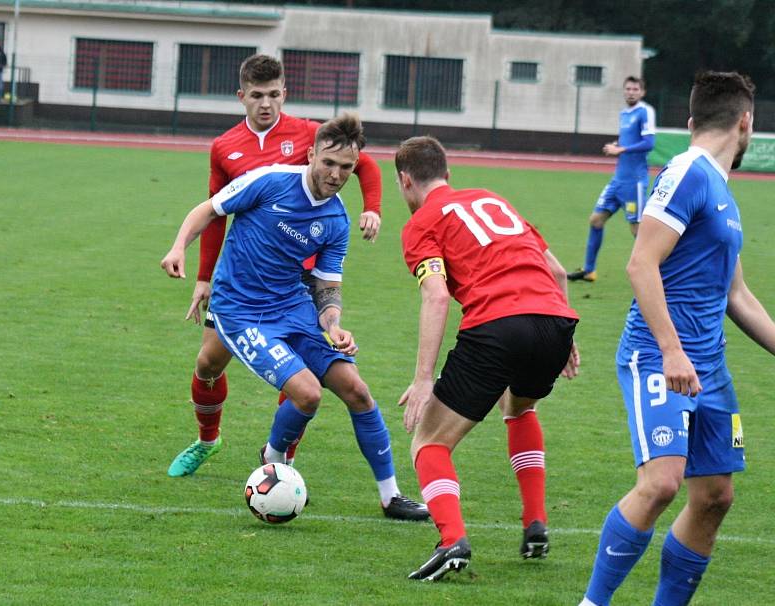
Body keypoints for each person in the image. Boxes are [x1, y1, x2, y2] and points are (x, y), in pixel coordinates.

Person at [161, 113, 429, 521]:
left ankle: (390, 496)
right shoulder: (269, 181)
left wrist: (334, 325)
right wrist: (179, 247)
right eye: (329, 163)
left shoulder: (336, 220)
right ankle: (272, 455)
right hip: (240, 310)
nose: (336, 174)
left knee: (356, 390)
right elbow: (209, 210)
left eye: (346, 167)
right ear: (311, 154)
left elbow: (327, 288)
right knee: (307, 393)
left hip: (293, 309)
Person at [578, 71, 775, 606]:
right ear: (745, 123)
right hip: (660, 357)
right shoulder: (688, 171)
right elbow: (641, 264)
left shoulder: (722, 192)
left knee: (714, 496)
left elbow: (737, 296)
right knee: (663, 483)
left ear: (691, 122)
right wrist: (671, 350)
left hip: (709, 367)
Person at [166, 54, 383, 478]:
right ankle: (208, 440)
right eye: (257, 96)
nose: (266, 104)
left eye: (274, 95)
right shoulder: (225, 146)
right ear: (242, 96)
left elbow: (366, 163)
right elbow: (217, 213)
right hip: (244, 281)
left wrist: (371, 208)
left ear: (285, 93)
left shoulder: (308, 133)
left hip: (298, 280)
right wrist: (204, 277)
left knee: (299, 375)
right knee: (208, 365)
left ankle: (281, 461)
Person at [395, 136, 580, 581]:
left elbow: (437, 297)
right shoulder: (492, 198)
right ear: (447, 174)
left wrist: (423, 380)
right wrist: (564, 337)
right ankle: (535, 523)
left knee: (429, 441)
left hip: (499, 324)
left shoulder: (422, 222)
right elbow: (555, 271)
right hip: (555, 319)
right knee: (519, 407)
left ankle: (451, 539)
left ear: (405, 181)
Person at [568, 76, 656, 282]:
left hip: (634, 182)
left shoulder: (645, 111)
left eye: (635, 89)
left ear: (642, 92)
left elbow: (649, 142)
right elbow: (631, 139)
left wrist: (621, 148)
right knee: (596, 220)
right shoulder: (624, 114)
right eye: (628, 88)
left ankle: (660, 272)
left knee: (638, 230)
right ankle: (589, 270)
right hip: (618, 181)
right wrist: (619, 143)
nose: (631, 92)